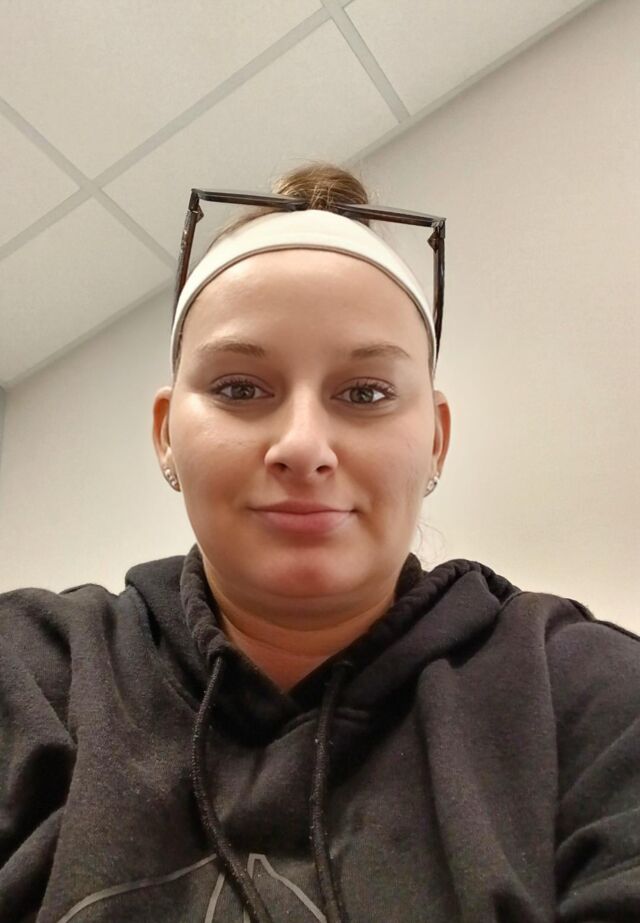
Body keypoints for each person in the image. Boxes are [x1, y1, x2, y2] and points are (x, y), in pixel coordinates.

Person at [0, 163, 638, 923]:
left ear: (436, 441)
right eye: (240, 388)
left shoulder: (587, 695)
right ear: (166, 432)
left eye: (365, 393)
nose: (303, 446)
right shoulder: (32, 675)